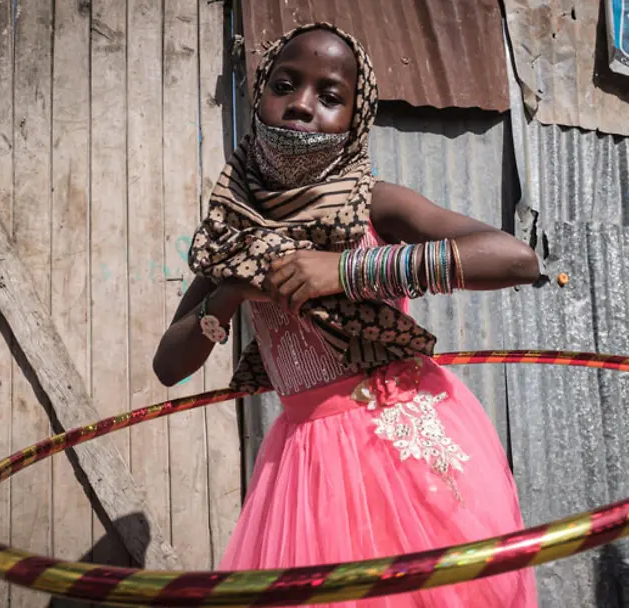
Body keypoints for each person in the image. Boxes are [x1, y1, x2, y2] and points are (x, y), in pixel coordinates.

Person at [154, 23, 539, 606]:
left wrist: (345, 270)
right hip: (308, 465)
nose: (302, 107)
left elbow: (515, 260)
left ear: (355, 119)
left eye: (329, 96)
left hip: (407, 445)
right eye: (285, 85)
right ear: (259, 95)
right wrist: (230, 293)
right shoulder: (231, 237)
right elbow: (168, 366)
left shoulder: (376, 204)